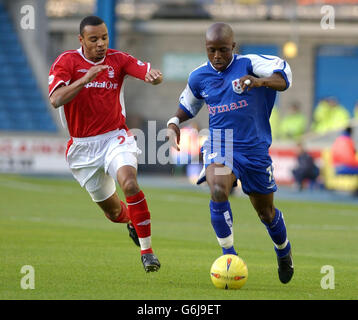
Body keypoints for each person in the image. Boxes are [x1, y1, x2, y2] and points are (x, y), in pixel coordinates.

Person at [166, 23, 294, 284]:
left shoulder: (251, 63)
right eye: (211, 50)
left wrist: (259, 81)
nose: (216, 56)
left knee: (266, 213)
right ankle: (229, 256)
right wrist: (174, 122)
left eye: (222, 50)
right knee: (217, 190)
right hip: (220, 142)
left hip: (255, 148)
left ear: (233, 47)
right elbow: (188, 105)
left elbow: (283, 79)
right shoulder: (198, 77)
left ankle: (283, 251)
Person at [48, 16, 162, 272]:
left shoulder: (117, 59)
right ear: (81, 40)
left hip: (114, 138)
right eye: (94, 39)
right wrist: (85, 79)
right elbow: (56, 100)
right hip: (82, 148)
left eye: (104, 38)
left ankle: (147, 252)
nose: (101, 44)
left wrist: (153, 76)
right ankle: (132, 221)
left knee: (129, 183)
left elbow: (144, 71)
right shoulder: (66, 62)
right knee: (113, 213)